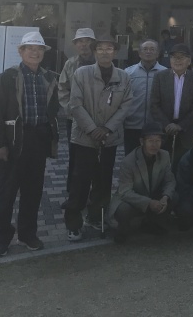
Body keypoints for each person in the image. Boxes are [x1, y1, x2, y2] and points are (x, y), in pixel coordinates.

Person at [0, 32, 60, 257]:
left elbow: (56, 108)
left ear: (44, 53)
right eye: (30, 48)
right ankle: (1, 238)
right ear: (21, 51)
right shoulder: (6, 77)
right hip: (13, 141)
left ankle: (28, 234)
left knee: (33, 191)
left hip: (38, 140)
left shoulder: (50, 77)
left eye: (39, 49)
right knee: (6, 192)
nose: (35, 52)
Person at [64, 33, 132, 242]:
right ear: (94, 51)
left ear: (115, 52)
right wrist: (93, 129)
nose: (104, 52)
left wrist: (108, 128)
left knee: (103, 181)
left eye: (109, 48)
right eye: (100, 48)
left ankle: (96, 217)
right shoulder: (81, 73)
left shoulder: (123, 76)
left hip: (109, 139)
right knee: (80, 182)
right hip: (85, 138)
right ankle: (73, 224)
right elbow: (75, 104)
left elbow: (125, 105)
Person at [108, 121, 176, 243]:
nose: (154, 145)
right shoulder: (128, 161)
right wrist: (149, 202)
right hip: (134, 198)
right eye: (150, 141)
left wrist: (165, 197)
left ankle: (151, 224)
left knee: (173, 196)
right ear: (141, 141)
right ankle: (122, 229)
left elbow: (170, 181)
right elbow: (125, 192)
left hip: (152, 193)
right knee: (123, 210)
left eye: (158, 141)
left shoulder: (164, 155)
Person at [150, 43, 193, 167]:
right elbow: (154, 104)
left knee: (183, 166)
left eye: (181, 57)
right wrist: (167, 124)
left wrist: (180, 126)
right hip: (163, 129)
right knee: (161, 166)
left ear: (189, 61)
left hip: (186, 130)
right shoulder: (160, 77)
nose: (177, 60)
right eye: (174, 57)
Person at [58, 27, 95, 192]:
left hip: (97, 119)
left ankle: (94, 193)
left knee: (96, 156)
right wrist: (71, 110)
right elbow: (62, 89)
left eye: (87, 41)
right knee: (75, 155)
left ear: (93, 44)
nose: (84, 45)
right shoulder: (70, 63)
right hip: (74, 119)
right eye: (80, 41)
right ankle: (73, 193)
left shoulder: (102, 62)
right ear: (75, 44)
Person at [123, 39, 167, 154]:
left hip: (156, 125)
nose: (148, 52)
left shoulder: (166, 73)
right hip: (132, 124)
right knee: (132, 157)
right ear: (139, 53)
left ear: (158, 53)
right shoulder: (128, 73)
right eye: (145, 49)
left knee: (154, 157)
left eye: (152, 49)